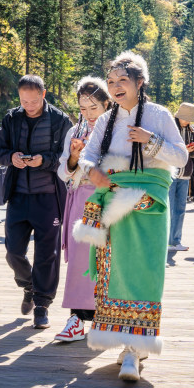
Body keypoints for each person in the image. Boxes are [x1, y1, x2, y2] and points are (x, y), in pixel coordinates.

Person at [72, 51, 187, 382]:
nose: (116, 86)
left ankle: (135, 349)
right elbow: (90, 158)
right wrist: (91, 171)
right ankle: (128, 349)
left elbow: (179, 159)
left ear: (140, 83)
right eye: (111, 81)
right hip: (112, 205)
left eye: (123, 80)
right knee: (114, 273)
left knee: (145, 272)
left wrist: (151, 140)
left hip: (148, 204)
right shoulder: (107, 121)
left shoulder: (158, 115)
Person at [0, 75, 72, 329]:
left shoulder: (60, 120)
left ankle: (42, 305)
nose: (28, 105)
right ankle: (28, 285)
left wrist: (43, 160)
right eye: (23, 100)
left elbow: (68, 157)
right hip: (18, 194)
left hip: (49, 196)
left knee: (47, 253)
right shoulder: (11, 118)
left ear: (43, 94)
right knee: (13, 251)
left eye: (33, 100)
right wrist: (11, 157)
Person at [54, 77, 112, 342]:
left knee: (106, 259)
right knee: (79, 259)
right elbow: (63, 170)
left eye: (93, 108)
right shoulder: (74, 131)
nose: (88, 115)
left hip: (108, 200)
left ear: (106, 105)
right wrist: (75, 158)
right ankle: (77, 318)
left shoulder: (116, 129)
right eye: (83, 108)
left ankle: (106, 317)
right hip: (80, 198)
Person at [168, 103, 194, 252]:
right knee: (169, 207)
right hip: (170, 172)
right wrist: (183, 150)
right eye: (185, 118)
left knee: (181, 208)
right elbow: (165, 149)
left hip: (185, 173)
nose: (187, 122)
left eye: (189, 119)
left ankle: (176, 241)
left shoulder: (192, 130)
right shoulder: (169, 128)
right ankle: (166, 241)